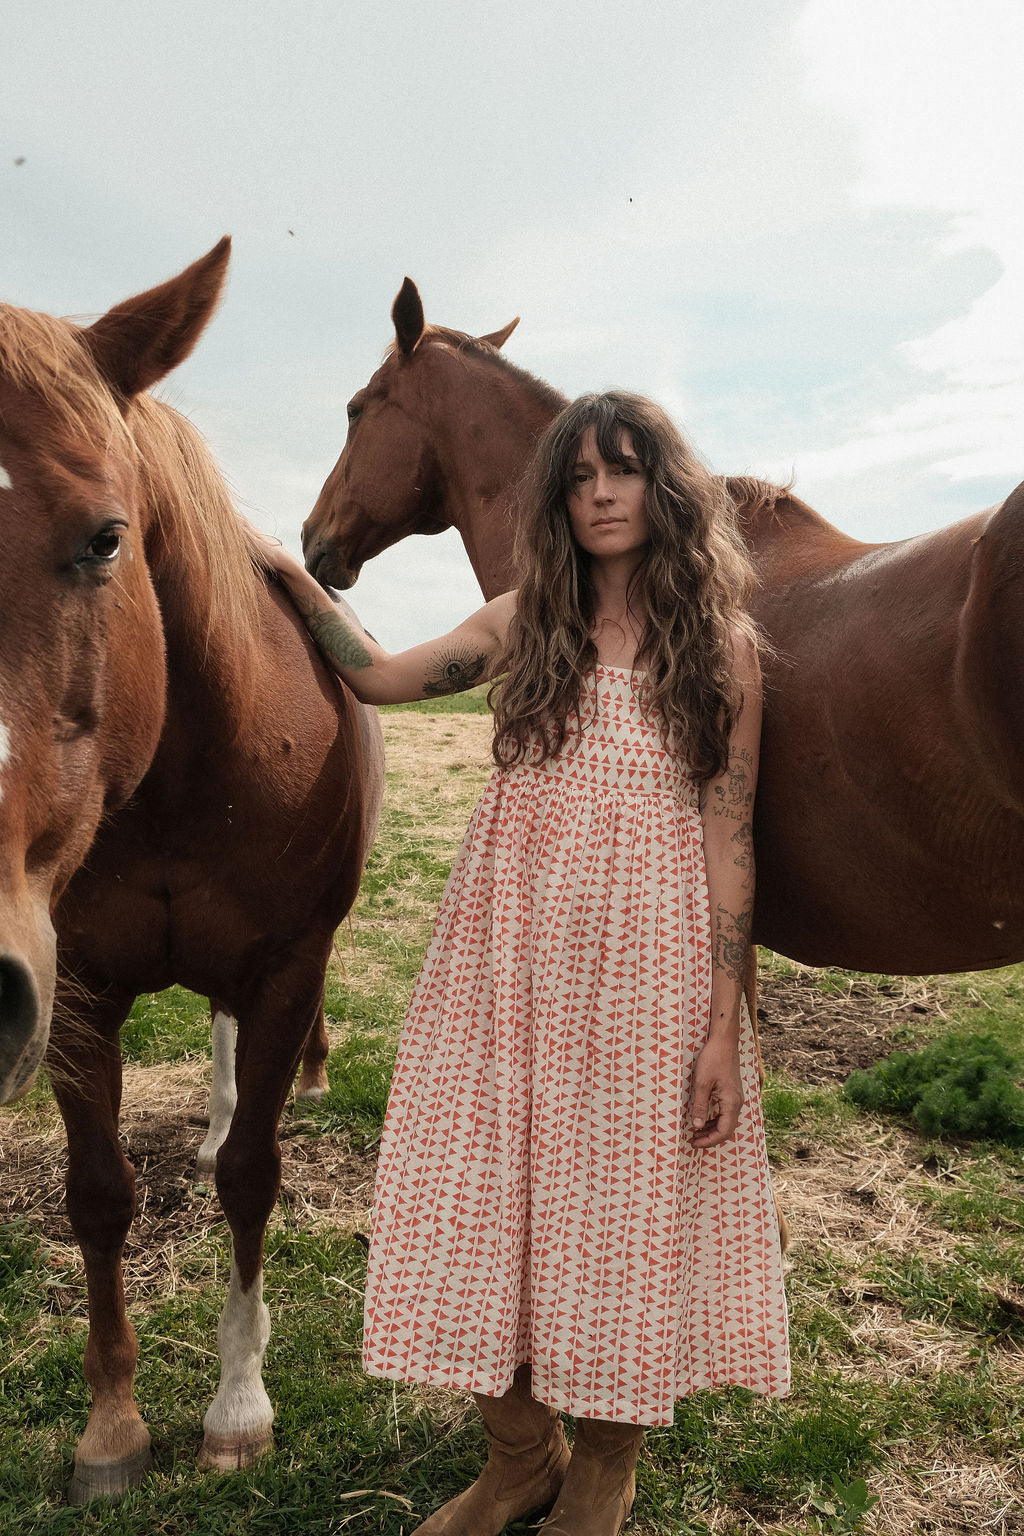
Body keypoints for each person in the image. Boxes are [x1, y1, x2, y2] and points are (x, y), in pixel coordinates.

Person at [259, 391, 790, 1536]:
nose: (600, 494)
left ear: (666, 490)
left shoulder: (721, 649)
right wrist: (285, 573)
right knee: (479, 1188)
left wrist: (719, 1025)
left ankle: (603, 1468)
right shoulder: (520, 621)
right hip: (505, 956)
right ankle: (516, 1460)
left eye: (625, 471)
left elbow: (730, 832)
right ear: (555, 498)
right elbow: (380, 678)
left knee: (624, 1205)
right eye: (579, 477)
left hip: (646, 967)